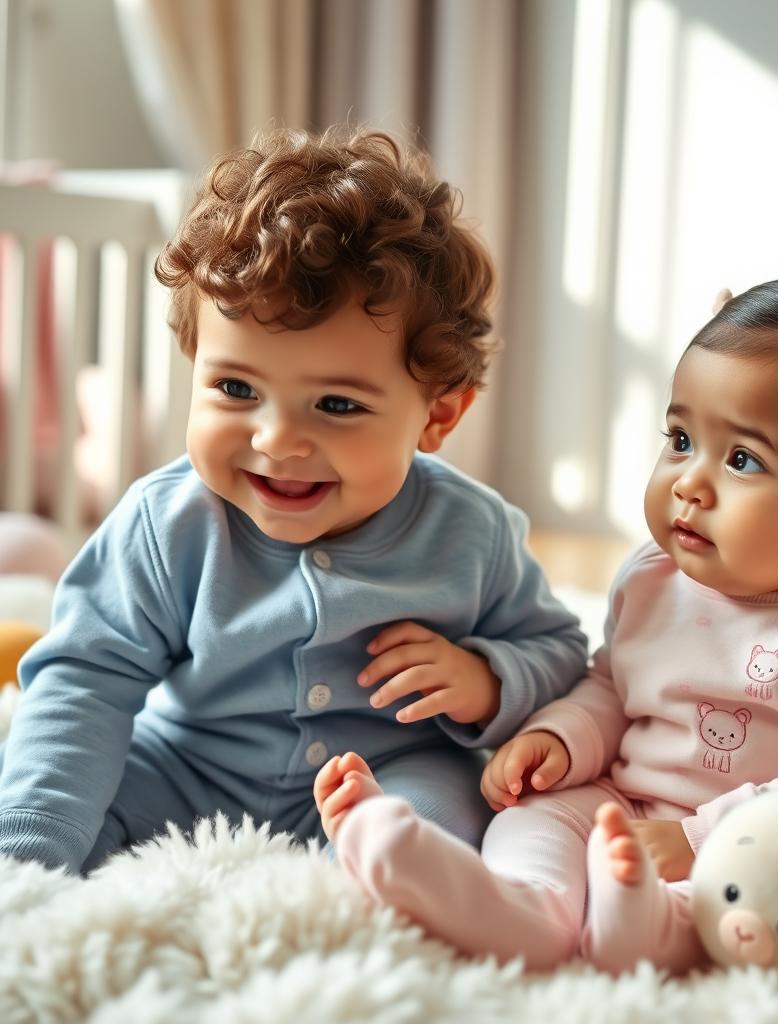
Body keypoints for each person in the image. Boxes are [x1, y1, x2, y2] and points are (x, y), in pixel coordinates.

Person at [314, 255, 778, 974]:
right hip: (626, 804)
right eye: (680, 440)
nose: (689, 484)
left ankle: (645, 927)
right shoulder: (656, 576)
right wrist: (563, 737)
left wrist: (706, 837)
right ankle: (519, 905)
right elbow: (615, 685)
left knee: (776, 897)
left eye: (744, 461)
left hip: (772, 847)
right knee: (540, 817)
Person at [0, 127, 589, 874]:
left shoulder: (471, 531)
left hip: (389, 772)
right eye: (236, 389)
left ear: (438, 415)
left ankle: (378, 906)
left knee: (441, 827)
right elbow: (85, 679)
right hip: (188, 766)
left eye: (337, 405)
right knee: (61, 792)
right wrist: (29, 855)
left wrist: (485, 678)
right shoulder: (167, 522)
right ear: (194, 362)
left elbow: (562, 652)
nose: (277, 441)